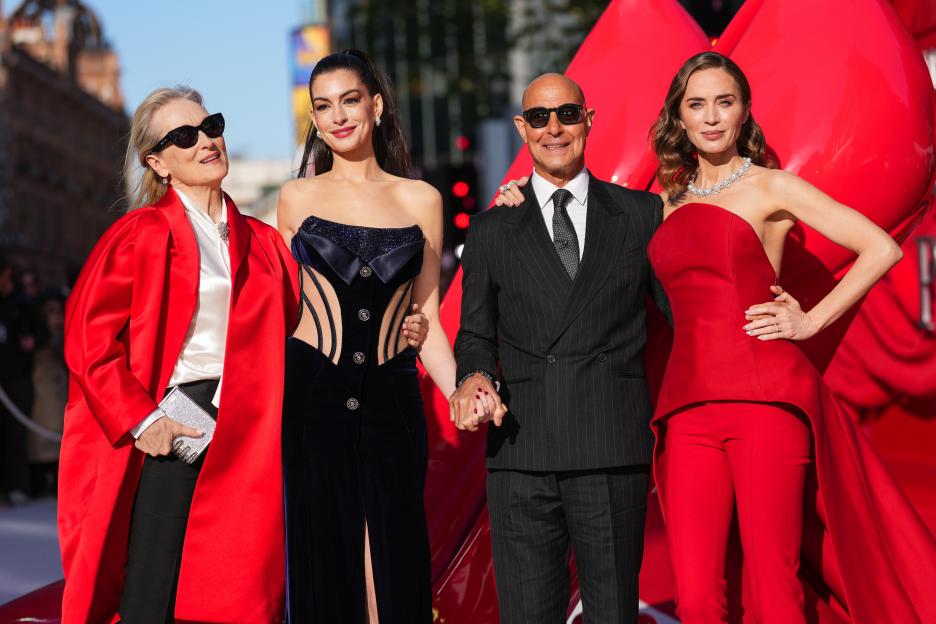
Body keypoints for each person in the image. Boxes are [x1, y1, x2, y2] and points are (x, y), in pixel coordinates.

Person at [57, 86, 425, 624]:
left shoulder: (263, 240)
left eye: (212, 126)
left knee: (242, 591)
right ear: (157, 162)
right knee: (150, 592)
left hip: (252, 431)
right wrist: (141, 420)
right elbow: (88, 343)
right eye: (184, 136)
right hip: (173, 423)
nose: (206, 141)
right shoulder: (139, 235)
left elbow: (314, 323)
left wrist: (399, 320)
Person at [644, 52, 936, 623]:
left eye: (724, 102)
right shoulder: (660, 206)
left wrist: (810, 320)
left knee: (773, 586)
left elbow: (881, 247)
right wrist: (515, 199)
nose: (710, 117)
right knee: (699, 596)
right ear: (678, 116)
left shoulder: (771, 186)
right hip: (684, 411)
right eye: (696, 104)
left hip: (765, 402)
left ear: (744, 112)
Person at [452, 73, 671, 624]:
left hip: (611, 445)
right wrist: (473, 378)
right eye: (541, 117)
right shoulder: (491, 230)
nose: (555, 128)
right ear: (522, 128)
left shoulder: (642, 215)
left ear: (588, 121)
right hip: (521, 452)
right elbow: (476, 334)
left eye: (567, 115)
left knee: (613, 615)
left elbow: (684, 316)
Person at [276, 49, 485, 624]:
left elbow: (428, 317)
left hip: (393, 402)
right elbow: (281, 307)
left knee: (393, 559)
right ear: (314, 119)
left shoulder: (422, 200)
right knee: (323, 557)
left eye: (349, 100)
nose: (338, 116)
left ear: (377, 103)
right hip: (313, 399)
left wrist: (458, 389)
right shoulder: (296, 197)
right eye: (323, 106)